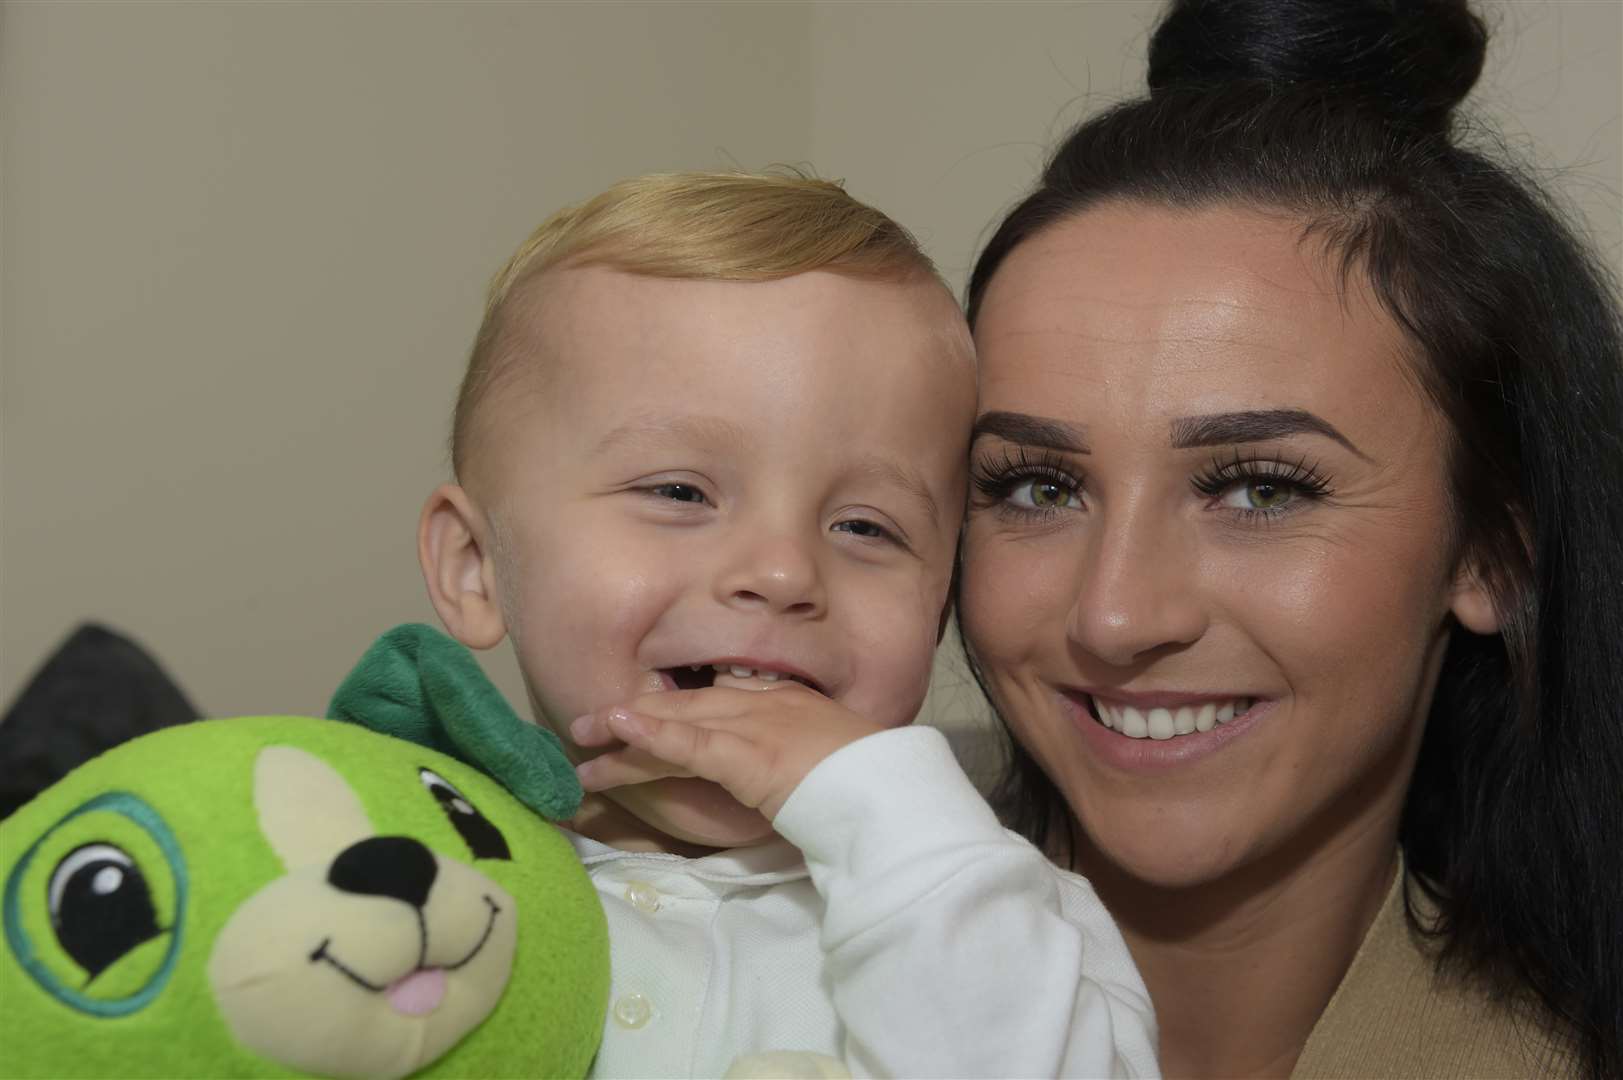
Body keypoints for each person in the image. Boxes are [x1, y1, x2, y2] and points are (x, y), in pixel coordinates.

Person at [955, 0, 1623, 1077]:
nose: (1116, 613)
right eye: (1038, 486)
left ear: (1493, 551)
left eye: (1260, 491)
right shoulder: (701, 988)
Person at [416, 171, 1158, 1077]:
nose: (782, 572)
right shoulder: (407, 869)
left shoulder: (1002, 918)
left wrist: (882, 810)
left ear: (938, 610)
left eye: (864, 527)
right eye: (680, 492)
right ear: (473, 566)